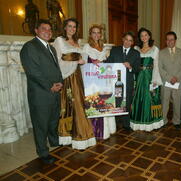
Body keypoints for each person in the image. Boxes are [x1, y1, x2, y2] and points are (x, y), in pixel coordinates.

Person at [20, 19, 63, 164]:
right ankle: (43, 152)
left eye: (50, 29)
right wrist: (50, 85)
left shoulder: (51, 48)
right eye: (44, 28)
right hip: (40, 94)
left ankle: (54, 141)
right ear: (36, 30)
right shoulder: (29, 47)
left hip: (55, 91)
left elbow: (56, 68)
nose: (48, 31)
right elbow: (33, 72)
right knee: (41, 124)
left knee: (53, 120)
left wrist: (60, 82)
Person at [53, 18, 96, 149]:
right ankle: (74, 135)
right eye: (70, 26)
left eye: (74, 27)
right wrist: (75, 62)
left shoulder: (77, 42)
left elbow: (83, 58)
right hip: (67, 78)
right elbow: (57, 62)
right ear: (65, 27)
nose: (72, 29)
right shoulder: (59, 41)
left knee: (81, 103)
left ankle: (81, 134)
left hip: (78, 76)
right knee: (71, 104)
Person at [83, 24, 116, 139]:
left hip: (104, 79)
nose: (96, 35)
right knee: (96, 102)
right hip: (93, 80)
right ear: (90, 34)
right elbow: (85, 64)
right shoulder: (87, 47)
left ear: (101, 35)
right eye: (94, 32)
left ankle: (108, 129)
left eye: (98, 33)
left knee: (105, 100)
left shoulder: (104, 47)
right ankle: (96, 131)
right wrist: (94, 62)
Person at [130, 28, 163, 131]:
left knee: (149, 97)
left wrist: (155, 80)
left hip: (149, 76)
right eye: (142, 36)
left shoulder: (155, 49)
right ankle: (137, 122)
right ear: (140, 38)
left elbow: (156, 65)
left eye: (146, 35)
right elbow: (133, 63)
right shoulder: (136, 48)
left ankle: (151, 123)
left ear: (149, 36)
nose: (144, 37)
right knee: (137, 97)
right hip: (139, 76)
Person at [107, 32, 141, 130]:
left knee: (127, 102)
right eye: (126, 39)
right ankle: (115, 123)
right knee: (117, 101)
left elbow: (137, 69)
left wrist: (130, 67)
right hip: (116, 82)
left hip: (128, 82)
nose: (127, 42)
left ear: (133, 42)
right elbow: (108, 63)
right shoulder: (115, 50)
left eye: (130, 40)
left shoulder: (136, 53)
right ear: (123, 39)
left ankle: (126, 124)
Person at [159, 31, 181, 128]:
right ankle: (163, 120)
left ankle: (176, 121)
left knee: (177, 102)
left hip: (178, 82)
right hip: (166, 81)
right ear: (166, 41)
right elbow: (160, 68)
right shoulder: (161, 53)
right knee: (165, 102)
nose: (170, 41)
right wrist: (170, 78)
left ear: (175, 40)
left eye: (172, 39)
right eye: (168, 39)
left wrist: (176, 78)